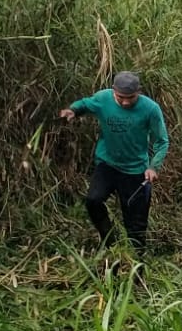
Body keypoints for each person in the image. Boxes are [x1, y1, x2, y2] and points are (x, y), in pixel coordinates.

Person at [58, 71, 169, 253]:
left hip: (135, 170)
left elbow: (162, 140)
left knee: (135, 221)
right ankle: (110, 241)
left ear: (138, 92)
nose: (125, 102)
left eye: (130, 98)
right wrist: (73, 110)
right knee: (93, 201)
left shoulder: (150, 109)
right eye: (120, 97)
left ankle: (137, 260)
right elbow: (86, 104)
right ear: (113, 91)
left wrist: (153, 167)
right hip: (107, 164)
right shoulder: (103, 99)